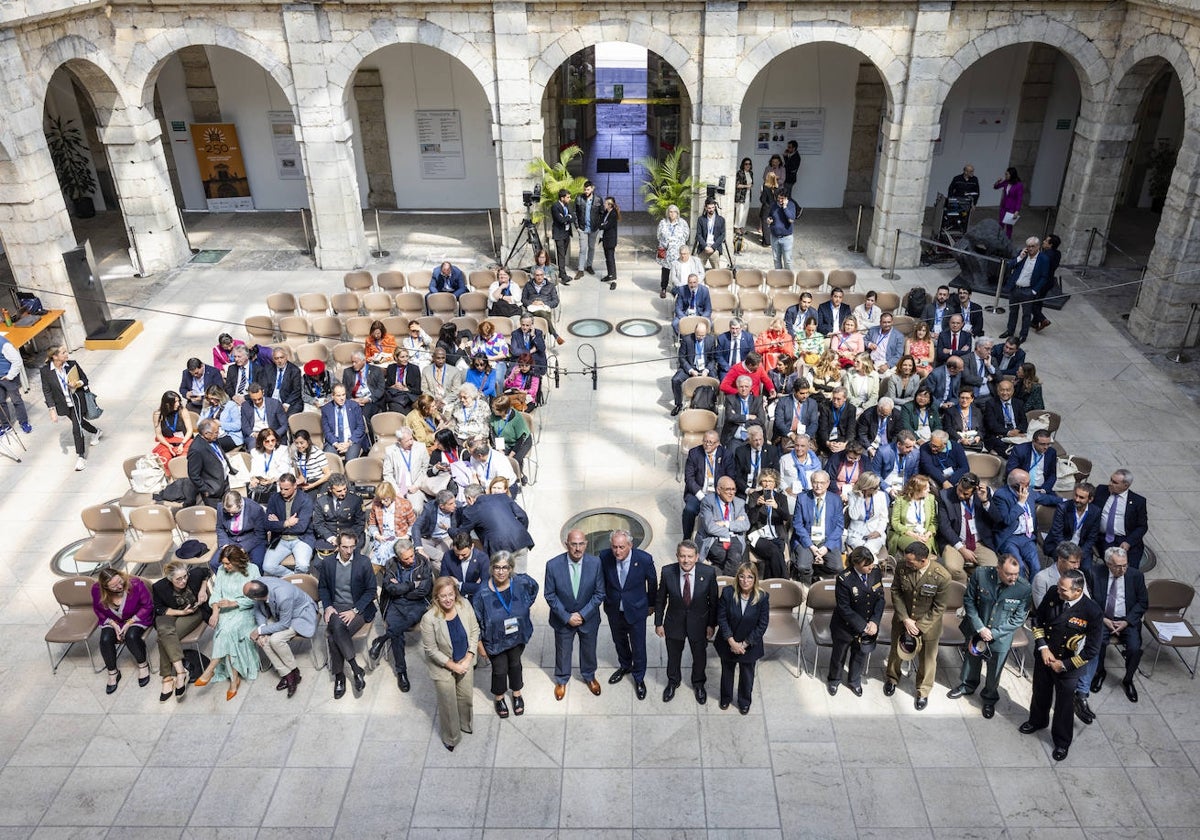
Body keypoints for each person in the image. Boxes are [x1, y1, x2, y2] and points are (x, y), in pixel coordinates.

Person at [1020, 569, 1102, 761]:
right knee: (1040, 693)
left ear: (1077, 591)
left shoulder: (1092, 612)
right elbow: (1037, 621)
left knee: (1064, 706)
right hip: (1045, 657)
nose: (1058, 592)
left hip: (1069, 666)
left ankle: (1062, 742)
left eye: (1063, 590)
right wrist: (1043, 648)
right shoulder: (1053, 594)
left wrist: (1064, 665)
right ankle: (1037, 721)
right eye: (1058, 587)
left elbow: (1091, 650)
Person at [946, 555, 1032, 718]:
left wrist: (994, 633)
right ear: (998, 568)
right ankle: (967, 686)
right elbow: (969, 601)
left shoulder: (1024, 588)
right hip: (977, 629)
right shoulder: (981, 575)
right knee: (971, 660)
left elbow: (1018, 619)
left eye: (1016, 574)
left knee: (995, 670)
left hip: (1001, 637)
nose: (1013, 578)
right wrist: (980, 627)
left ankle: (989, 698)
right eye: (1009, 574)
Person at [884, 542, 952, 709]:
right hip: (902, 620)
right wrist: (905, 619)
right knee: (896, 652)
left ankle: (923, 691)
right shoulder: (901, 566)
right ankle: (892, 678)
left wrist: (919, 626)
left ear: (923, 560)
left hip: (928, 626)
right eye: (906, 561)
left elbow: (939, 607)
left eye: (911, 562)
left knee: (927, 660)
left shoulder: (941, 577)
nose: (907, 564)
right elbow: (896, 591)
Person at [474, 550, 539, 717]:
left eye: (505, 567)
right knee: (499, 669)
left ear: (511, 568)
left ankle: (517, 693)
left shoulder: (521, 582)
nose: (501, 571)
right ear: (491, 568)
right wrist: (480, 645)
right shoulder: (482, 593)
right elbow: (475, 621)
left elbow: (534, 589)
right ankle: (499, 697)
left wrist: (522, 608)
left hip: (517, 637)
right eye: (497, 567)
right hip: (495, 640)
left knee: (515, 664)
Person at [544, 529, 605, 700]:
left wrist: (583, 614)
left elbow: (599, 593)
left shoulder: (596, 563)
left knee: (589, 649)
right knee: (563, 651)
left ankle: (589, 676)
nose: (577, 548)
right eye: (574, 544)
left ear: (586, 544)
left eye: (581, 544)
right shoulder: (553, 565)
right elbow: (549, 595)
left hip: (589, 618)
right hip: (563, 619)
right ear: (566, 545)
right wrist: (566, 616)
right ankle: (562, 680)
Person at [194, 545, 261, 701]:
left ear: (238, 561)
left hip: (244, 611)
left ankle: (211, 668)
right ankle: (234, 679)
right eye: (223, 563)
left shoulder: (253, 570)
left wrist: (234, 603)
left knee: (228, 632)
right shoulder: (222, 571)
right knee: (225, 631)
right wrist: (215, 612)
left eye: (228, 564)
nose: (225, 567)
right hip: (224, 611)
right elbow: (217, 593)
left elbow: (256, 597)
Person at [655, 540, 718, 704]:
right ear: (677, 556)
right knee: (673, 656)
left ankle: (698, 684)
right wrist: (658, 623)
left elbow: (714, 603)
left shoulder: (709, 572)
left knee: (699, 657)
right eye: (682, 556)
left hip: (700, 624)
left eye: (690, 556)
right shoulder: (668, 572)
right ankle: (673, 681)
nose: (686, 560)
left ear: (696, 557)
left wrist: (711, 625)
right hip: (674, 623)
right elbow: (660, 600)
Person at [421, 576, 480, 751]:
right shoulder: (429, 618)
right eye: (443, 596)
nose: (448, 599)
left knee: (466, 697)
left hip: (465, 660)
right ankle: (451, 737)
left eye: (450, 594)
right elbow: (431, 650)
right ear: (436, 597)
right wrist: (454, 666)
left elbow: (475, 630)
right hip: (443, 667)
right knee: (448, 704)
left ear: (455, 594)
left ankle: (465, 724)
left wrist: (469, 657)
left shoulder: (464, 606)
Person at [316, 531, 377, 699]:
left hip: (358, 608)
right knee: (337, 626)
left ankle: (340, 677)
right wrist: (327, 606)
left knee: (333, 637)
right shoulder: (328, 563)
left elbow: (371, 590)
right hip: (336, 607)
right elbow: (322, 588)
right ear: (337, 546)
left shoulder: (363, 562)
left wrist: (355, 610)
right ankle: (356, 670)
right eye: (345, 547)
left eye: (352, 547)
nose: (349, 551)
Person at [1084, 547, 1148, 704]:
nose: (1122, 569)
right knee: (1097, 644)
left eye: (1125, 565)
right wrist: (1104, 619)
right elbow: (1088, 600)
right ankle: (1099, 673)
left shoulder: (1136, 576)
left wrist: (1127, 621)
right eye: (1118, 566)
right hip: (1103, 618)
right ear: (1107, 564)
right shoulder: (1093, 573)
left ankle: (1128, 680)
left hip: (1127, 620)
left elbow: (1143, 602)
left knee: (1134, 648)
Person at [373, 537, 432, 692]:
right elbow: (390, 589)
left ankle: (382, 639)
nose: (412, 560)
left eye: (412, 555)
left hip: (417, 603)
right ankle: (401, 672)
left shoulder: (423, 562)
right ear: (398, 557)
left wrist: (401, 590)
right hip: (394, 604)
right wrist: (411, 585)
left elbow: (424, 590)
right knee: (396, 631)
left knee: (404, 623)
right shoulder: (390, 564)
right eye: (407, 558)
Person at [245, 576, 318, 699]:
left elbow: (284, 624)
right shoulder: (258, 583)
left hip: (300, 615)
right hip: (280, 615)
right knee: (264, 641)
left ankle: (294, 672)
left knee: (276, 640)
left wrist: (259, 630)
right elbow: (257, 609)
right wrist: (262, 629)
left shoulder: (283, 596)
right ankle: (289, 674)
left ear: (256, 597)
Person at [151, 559, 212, 701]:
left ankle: (167, 677)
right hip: (171, 613)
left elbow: (206, 571)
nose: (183, 581)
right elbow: (159, 608)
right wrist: (180, 613)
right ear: (170, 578)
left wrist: (203, 589)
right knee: (165, 631)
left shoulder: (194, 575)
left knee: (164, 638)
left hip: (193, 612)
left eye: (185, 576)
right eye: (178, 579)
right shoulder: (160, 586)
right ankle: (180, 672)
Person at [828, 546, 885, 696]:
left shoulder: (875, 572)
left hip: (868, 624)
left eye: (871, 563)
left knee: (860, 655)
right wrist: (864, 626)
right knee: (839, 655)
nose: (871, 567)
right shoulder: (844, 578)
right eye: (867, 565)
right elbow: (844, 608)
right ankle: (834, 679)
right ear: (856, 564)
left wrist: (874, 621)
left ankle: (854, 681)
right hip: (845, 626)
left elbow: (880, 598)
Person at [715, 562, 770, 713]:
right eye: (742, 576)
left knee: (747, 674)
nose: (745, 581)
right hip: (728, 642)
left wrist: (744, 644)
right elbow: (721, 618)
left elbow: (762, 624)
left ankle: (744, 701)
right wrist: (732, 642)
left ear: (755, 579)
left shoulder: (763, 597)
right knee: (727, 671)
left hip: (749, 645)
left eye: (750, 577)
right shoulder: (727, 593)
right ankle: (725, 698)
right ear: (737, 577)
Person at [91, 569, 154, 694]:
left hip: (137, 617)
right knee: (105, 639)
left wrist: (130, 623)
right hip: (113, 620)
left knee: (131, 635)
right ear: (105, 587)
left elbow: (147, 606)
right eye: (114, 586)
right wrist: (113, 624)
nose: (119, 586)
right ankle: (113, 672)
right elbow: (97, 609)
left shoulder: (135, 584)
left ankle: (143, 665)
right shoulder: (96, 589)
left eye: (120, 582)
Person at [40, 345, 101, 471]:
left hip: (77, 400)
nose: (66, 354)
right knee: (78, 422)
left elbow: (85, 379)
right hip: (63, 404)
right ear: (55, 356)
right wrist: (51, 410)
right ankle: (96, 431)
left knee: (76, 428)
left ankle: (81, 457)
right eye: (63, 352)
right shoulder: (45, 371)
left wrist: (77, 383)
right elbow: (47, 391)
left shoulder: (72, 365)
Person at [451, 483, 534, 571]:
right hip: (521, 540)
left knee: (502, 580)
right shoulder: (502, 497)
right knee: (521, 577)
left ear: (469, 498)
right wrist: (520, 532)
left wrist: (449, 530)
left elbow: (462, 534)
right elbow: (523, 516)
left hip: (500, 549)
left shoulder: (471, 511)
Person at [936, 472, 998, 582]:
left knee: (992, 568)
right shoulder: (944, 496)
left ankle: (975, 582)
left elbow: (997, 519)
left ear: (974, 491)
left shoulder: (984, 494)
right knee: (953, 568)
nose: (961, 495)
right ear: (958, 483)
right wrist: (962, 549)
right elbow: (944, 526)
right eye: (959, 490)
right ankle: (964, 588)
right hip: (954, 542)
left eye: (966, 494)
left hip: (979, 543)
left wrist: (985, 501)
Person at [791, 470, 844, 582]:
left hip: (827, 539)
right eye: (815, 482)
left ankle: (817, 572)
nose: (818, 486)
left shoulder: (836, 499)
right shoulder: (802, 498)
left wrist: (826, 547)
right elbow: (798, 524)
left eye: (822, 483)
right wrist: (811, 546)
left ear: (828, 483)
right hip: (807, 539)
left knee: (837, 567)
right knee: (803, 567)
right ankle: (807, 585)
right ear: (811, 482)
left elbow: (839, 527)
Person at [990, 469, 1042, 581]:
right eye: (1027, 483)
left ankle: (1030, 593)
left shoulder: (1028, 491)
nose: (1030, 485)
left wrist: (1066, 501)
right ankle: (1018, 593)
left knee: (1036, 567)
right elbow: (1007, 520)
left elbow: (1044, 498)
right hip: (1009, 538)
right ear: (1017, 485)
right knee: (1019, 567)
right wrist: (1020, 503)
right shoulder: (1001, 496)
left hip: (1027, 537)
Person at [1093, 469, 1149, 569]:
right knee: (1114, 566)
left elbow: (1142, 526)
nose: (1109, 483)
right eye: (1110, 480)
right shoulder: (1101, 490)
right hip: (1106, 538)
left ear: (1126, 485)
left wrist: (1129, 542)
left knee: (1131, 571)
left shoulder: (1138, 501)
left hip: (1127, 539)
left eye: (1114, 482)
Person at [262, 473, 316, 576]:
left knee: (303, 566)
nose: (282, 492)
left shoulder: (306, 500)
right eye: (281, 488)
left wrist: (278, 524)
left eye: (286, 489)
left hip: (301, 539)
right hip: (280, 539)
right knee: (268, 567)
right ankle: (294, 579)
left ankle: (299, 581)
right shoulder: (274, 498)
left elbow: (301, 528)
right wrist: (286, 523)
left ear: (295, 486)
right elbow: (267, 525)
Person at [697, 475, 751, 572]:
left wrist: (726, 524)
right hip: (714, 538)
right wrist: (734, 526)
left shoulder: (739, 502)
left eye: (734, 489)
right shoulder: (708, 502)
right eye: (728, 489)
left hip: (734, 538)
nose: (731, 493)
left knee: (735, 556)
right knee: (720, 555)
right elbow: (710, 528)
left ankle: (724, 583)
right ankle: (726, 583)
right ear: (718, 490)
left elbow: (746, 525)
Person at [1002, 236, 1051, 342]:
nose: (1030, 249)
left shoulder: (1043, 259)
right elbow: (1010, 266)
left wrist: (1034, 291)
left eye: (1032, 246)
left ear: (1038, 247)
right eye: (1028, 246)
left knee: (1026, 314)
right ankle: (1010, 331)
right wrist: (1020, 257)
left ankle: (1023, 335)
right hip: (1015, 288)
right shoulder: (1023, 254)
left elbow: (1044, 277)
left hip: (1028, 290)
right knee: (1013, 311)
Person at [746, 469, 791, 579]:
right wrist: (757, 506)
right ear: (761, 482)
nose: (767, 484)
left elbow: (786, 517)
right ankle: (784, 581)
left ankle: (769, 586)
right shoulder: (754, 496)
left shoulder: (781, 498)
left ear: (775, 483)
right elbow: (751, 521)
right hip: (758, 536)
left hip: (777, 536)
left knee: (773, 557)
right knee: (775, 552)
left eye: (770, 481)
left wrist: (777, 507)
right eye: (764, 481)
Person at [1044, 482, 1101, 564]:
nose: (1077, 499)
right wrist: (1068, 553)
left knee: (1087, 570)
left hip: (1081, 548)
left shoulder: (1096, 512)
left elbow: (1092, 538)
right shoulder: (1063, 508)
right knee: (1066, 566)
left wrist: (1081, 553)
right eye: (1076, 495)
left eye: (1081, 497)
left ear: (1090, 499)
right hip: (1060, 545)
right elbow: (1057, 533)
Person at [367, 481, 416, 572]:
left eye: (385, 499)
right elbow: (372, 523)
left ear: (392, 496)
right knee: (374, 560)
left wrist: (407, 535)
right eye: (381, 499)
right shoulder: (376, 504)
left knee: (394, 557)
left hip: (400, 538)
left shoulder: (405, 504)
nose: (383, 502)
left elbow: (413, 524)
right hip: (383, 538)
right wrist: (377, 535)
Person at [216, 490, 268, 572]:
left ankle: (255, 582)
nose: (231, 515)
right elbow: (220, 528)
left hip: (251, 538)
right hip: (231, 539)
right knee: (215, 563)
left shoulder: (255, 509)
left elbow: (260, 535)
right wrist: (224, 544)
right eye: (228, 512)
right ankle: (228, 581)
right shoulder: (220, 507)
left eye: (234, 513)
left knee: (257, 563)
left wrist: (244, 548)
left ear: (240, 504)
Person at [313, 473, 367, 550]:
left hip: (350, 537)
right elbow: (318, 524)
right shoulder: (321, 500)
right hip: (329, 538)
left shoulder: (355, 499)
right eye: (339, 491)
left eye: (345, 489)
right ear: (330, 489)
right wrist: (331, 538)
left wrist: (347, 539)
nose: (343, 493)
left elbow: (360, 522)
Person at [888, 475, 938, 556]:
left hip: (924, 534)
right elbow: (895, 522)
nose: (929, 490)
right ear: (917, 490)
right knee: (916, 550)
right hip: (906, 533)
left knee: (924, 551)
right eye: (926, 489)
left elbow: (934, 522)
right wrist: (914, 535)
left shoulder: (930, 498)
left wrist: (927, 534)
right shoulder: (901, 500)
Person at [188, 418, 232, 508]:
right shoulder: (196, 449)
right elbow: (193, 474)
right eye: (216, 432)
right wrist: (205, 490)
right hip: (212, 491)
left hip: (224, 483)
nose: (218, 434)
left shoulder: (213, 440)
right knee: (217, 516)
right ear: (206, 434)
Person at [845, 471, 888, 559]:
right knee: (865, 552)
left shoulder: (881, 495)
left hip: (875, 533)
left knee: (867, 551)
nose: (878, 488)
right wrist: (860, 498)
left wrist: (879, 531)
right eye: (875, 487)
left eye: (878, 485)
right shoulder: (852, 495)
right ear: (866, 486)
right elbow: (854, 516)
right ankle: (874, 568)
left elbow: (884, 518)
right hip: (856, 534)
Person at [320, 384, 366, 460]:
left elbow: (361, 427)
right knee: (329, 459)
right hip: (334, 441)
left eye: (343, 395)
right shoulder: (326, 409)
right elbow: (326, 431)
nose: (342, 398)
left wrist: (349, 443)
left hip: (352, 440)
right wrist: (336, 444)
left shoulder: (354, 406)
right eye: (338, 396)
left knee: (350, 461)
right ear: (332, 396)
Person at [150, 390, 194, 468]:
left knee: (182, 459)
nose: (178, 404)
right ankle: (169, 478)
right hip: (167, 441)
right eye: (175, 402)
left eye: (178, 401)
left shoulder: (182, 411)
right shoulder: (158, 414)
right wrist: (168, 446)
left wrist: (182, 444)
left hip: (184, 440)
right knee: (165, 459)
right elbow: (159, 434)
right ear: (167, 404)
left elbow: (190, 430)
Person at [246, 428, 291, 503]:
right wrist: (255, 478)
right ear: (261, 442)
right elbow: (254, 470)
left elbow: (284, 471)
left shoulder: (283, 450)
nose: (271, 443)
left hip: (276, 482)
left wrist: (271, 480)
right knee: (251, 485)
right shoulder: (255, 452)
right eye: (267, 441)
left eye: (273, 440)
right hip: (262, 482)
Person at [263, 346, 304, 418]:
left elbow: (296, 391)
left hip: (288, 401)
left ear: (286, 357)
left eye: (281, 357)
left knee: (285, 418)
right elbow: (265, 387)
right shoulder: (267, 369)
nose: (279, 361)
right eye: (276, 358)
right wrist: (266, 402)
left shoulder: (294, 370)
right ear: (273, 359)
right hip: (272, 400)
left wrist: (286, 404)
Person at [421, 347, 465, 414]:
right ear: (433, 358)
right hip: (431, 401)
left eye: (443, 358)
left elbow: (456, 390)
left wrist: (444, 401)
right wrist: (434, 401)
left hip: (449, 401)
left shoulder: (454, 371)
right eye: (438, 358)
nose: (441, 361)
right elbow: (424, 389)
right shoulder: (426, 370)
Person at [1032, 233, 1061, 332]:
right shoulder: (1057, 253)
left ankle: (1042, 319)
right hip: (1049, 281)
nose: (1043, 242)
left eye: (1046, 241)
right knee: (1039, 301)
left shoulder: (1045, 256)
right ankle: (1035, 321)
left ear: (1050, 244)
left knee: (1032, 302)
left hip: (1042, 282)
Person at [291, 429, 331, 497]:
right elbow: (301, 475)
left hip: (320, 481)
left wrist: (312, 485)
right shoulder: (297, 454)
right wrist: (299, 481)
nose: (299, 446)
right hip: (308, 482)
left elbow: (327, 474)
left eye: (301, 443)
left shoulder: (317, 452)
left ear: (308, 441)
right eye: (296, 443)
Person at [574, 179, 601, 278]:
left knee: (592, 248)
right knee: (583, 249)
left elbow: (601, 213)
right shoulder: (579, 199)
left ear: (592, 189)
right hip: (582, 228)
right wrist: (577, 226)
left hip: (593, 229)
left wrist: (599, 226)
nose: (586, 191)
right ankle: (580, 269)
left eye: (588, 189)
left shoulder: (598, 199)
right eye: (585, 189)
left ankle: (589, 265)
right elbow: (575, 213)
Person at [382, 347, 421, 415]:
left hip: (407, 395)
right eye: (402, 357)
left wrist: (406, 389)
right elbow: (386, 385)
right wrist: (393, 386)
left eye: (407, 356)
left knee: (396, 405)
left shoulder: (414, 369)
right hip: (394, 394)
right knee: (393, 404)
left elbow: (418, 390)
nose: (405, 359)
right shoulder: (391, 368)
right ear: (396, 358)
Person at [767, 189, 798, 269]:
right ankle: (779, 278)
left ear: (786, 198)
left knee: (787, 260)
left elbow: (791, 219)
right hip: (774, 237)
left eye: (782, 198)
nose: (780, 200)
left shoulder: (791, 205)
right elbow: (770, 215)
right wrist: (768, 220)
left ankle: (788, 278)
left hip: (786, 238)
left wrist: (785, 207)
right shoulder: (773, 205)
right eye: (779, 198)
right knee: (776, 260)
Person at [693, 198, 726, 270]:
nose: (711, 210)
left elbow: (722, 235)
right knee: (697, 269)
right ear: (705, 208)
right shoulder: (701, 219)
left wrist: (713, 247)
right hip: (703, 248)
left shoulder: (721, 220)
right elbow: (698, 235)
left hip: (714, 248)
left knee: (716, 270)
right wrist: (705, 246)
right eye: (709, 208)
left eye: (713, 207)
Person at [550, 188, 575, 279]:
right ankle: (563, 275)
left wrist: (567, 217)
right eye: (568, 197)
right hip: (559, 234)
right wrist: (568, 216)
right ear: (562, 198)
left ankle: (561, 272)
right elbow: (560, 220)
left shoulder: (568, 205)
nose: (569, 199)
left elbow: (574, 217)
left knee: (563, 254)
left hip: (567, 233)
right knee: (561, 255)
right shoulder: (555, 206)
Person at [994, 166, 1023, 238]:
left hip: (1012, 208)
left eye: (1007, 174)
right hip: (1004, 206)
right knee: (1001, 223)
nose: (1005, 176)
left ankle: (1007, 240)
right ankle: (998, 238)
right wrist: (997, 182)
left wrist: (1017, 211)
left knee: (1009, 226)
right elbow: (996, 187)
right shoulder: (1006, 182)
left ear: (1011, 175)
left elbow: (1019, 199)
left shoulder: (1019, 185)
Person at [598, 195, 620, 288]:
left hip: (610, 240)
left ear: (610, 205)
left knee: (611, 259)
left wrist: (602, 225)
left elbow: (606, 226)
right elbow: (601, 222)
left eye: (606, 203)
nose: (604, 204)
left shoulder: (613, 214)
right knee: (607, 259)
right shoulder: (606, 212)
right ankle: (609, 275)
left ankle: (613, 279)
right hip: (605, 239)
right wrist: (602, 224)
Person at [758, 171, 780, 246]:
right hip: (774, 207)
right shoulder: (777, 187)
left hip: (767, 208)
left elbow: (763, 200)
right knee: (772, 223)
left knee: (765, 224)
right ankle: (772, 239)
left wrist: (761, 193)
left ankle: (766, 242)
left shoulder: (766, 187)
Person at [733, 157, 753, 235]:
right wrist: (746, 186)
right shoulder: (740, 173)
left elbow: (751, 183)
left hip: (748, 195)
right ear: (743, 165)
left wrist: (751, 186)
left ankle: (742, 227)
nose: (748, 165)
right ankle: (737, 227)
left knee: (745, 212)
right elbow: (737, 185)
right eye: (746, 164)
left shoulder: (751, 173)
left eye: (749, 164)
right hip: (740, 195)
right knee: (739, 212)